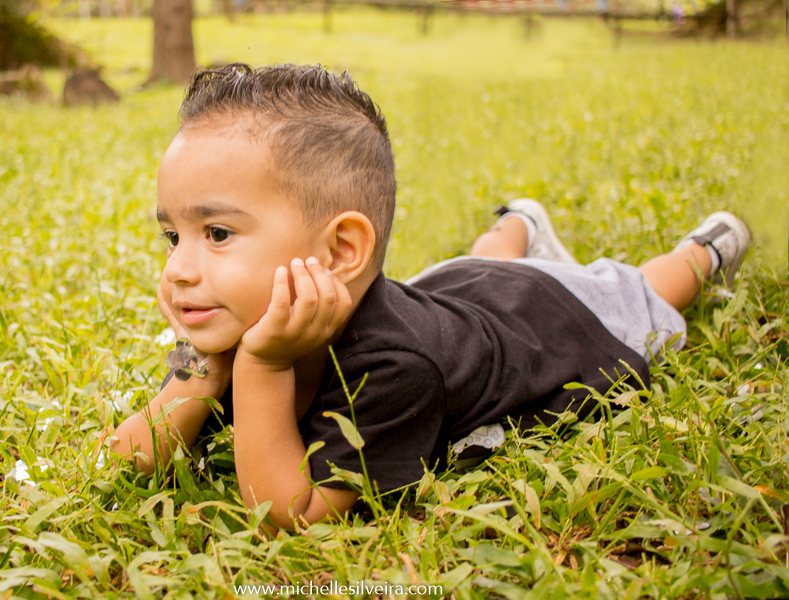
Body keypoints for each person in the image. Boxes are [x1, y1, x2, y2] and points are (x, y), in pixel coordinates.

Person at [109, 64, 751, 530]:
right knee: (480, 259)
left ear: (340, 253)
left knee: (644, 292)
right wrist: (203, 365)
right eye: (173, 237)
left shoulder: (395, 367)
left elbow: (291, 518)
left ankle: (705, 249)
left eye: (217, 234)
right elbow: (131, 458)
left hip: (547, 314)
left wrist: (262, 366)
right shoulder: (229, 319)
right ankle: (520, 223)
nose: (179, 269)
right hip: (452, 286)